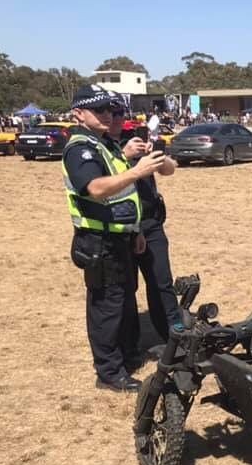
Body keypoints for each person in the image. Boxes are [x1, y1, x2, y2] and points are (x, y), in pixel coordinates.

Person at [63, 84, 167, 392]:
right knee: (106, 307)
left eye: (111, 110)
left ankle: (123, 356)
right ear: (79, 114)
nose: (108, 116)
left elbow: (121, 195)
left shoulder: (104, 143)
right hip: (98, 241)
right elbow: (95, 188)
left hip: (120, 237)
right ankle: (108, 373)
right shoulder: (80, 147)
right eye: (100, 110)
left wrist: (134, 230)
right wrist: (137, 171)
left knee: (121, 302)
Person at [106, 95, 181, 346]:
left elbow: (171, 170)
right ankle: (130, 343)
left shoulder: (135, 141)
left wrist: (157, 157)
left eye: (119, 115)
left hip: (150, 224)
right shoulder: (101, 148)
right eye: (110, 115)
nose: (115, 120)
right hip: (120, 227)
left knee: (162, 283)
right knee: (126, 289)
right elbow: (98, 184)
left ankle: (174, 336)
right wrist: (125, 158)